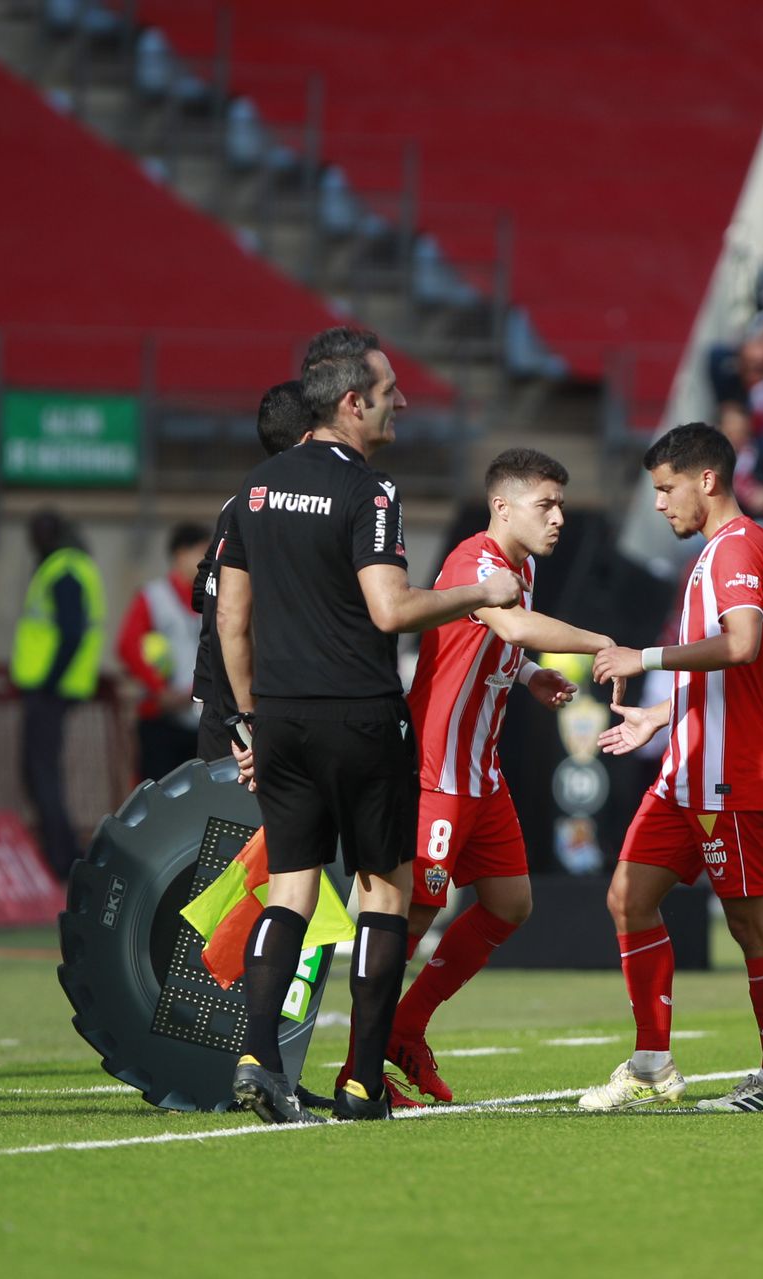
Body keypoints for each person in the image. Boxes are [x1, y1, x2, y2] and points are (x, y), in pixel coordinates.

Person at [214, 327, 522, 1126]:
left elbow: (232, 619)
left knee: (291, 888)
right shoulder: (370, 490)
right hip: (357, 715)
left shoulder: (255, 489)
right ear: (352, 405)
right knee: (383, 894)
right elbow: (391, 609)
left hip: (277, 719)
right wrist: (480, 592)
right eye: (389, 394)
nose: (401, 405)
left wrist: (249, 715)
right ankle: (361, 1085)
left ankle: (257, 1055)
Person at [348, 448, 615, 1106]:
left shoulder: (521, 566)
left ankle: (406, 1027)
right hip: (436, 773)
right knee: (411, 916)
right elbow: (511, 621)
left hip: (481, 774)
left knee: (510, 904)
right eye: (545, 505)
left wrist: (527, 673)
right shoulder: (477, 561)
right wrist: (604, 644)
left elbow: (491, 637)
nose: (558, 518)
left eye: (560, 505)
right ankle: (360, 1068)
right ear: (503, 506)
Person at [584, 423, 763, 1115]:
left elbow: (741, 646)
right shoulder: (717, 553)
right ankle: (651, 1062)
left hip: (729, 773)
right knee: (628, 895)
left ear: (706, 479)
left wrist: (643, 660)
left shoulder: (741, 546)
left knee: (751, 925)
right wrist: (660, 716)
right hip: (687, 767)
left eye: (666, 487)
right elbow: (727, 674)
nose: (659, 504)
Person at [191, 380, 313, 763]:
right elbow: (235, 611)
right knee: (260, 822)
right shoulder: (292, 509)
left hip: (216, 701)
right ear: (309, 440)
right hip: (255, 712)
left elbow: (202, 591)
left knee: (219, 819)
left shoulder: (239, 500)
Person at [9, 509, 104, 881]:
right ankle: (61, 853)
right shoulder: (69, 564)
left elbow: (71, 632)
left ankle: (62, 858)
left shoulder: (64, 568)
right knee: (38, 772)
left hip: (51, 691)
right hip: (55, 689)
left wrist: (50, 682)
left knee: (41, 773)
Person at [117, 523, 207, 782]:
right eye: (202, 552)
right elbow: (128, 646)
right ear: (181, 554)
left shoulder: (215, 597)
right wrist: (161, 691)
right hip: (162, 719)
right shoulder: (153, 597)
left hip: (203, 721)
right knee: (157, 797)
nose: (210, 560)